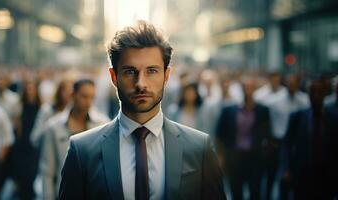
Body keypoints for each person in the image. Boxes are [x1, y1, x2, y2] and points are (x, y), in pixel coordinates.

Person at [59, 20, 225, 200]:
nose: (141, 84)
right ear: (114, 77)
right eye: (130, 72)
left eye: (152, 71)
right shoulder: (82, 151)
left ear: (166, 76)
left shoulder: (199, 148)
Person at [39, 79, 109, 200]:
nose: (88, 102)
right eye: (84, 96)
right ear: (73, 95)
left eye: (92, 97)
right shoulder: (53, 127)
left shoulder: (102, 124)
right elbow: (47, 171)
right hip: (65, 192)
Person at [216, 77, 271, 200]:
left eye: (251, 88)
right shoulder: (229, 110)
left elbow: (267, 134)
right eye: (246, 88)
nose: (248, 91)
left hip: (255, 156)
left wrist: (265, 152)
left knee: (255, 191)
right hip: (235, 156)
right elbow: (219, 134)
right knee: (236, 191)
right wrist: (221, 156)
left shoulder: (263, 111)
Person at [284, 79, 338, 199]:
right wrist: (287, 168)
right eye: (313, 92)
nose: (316, 96)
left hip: (327, 175)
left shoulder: (333, 119)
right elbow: (286, 144)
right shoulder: (297, 117)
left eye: (319, 92)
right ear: (308, 94)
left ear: (325, 94)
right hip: (303, 174)